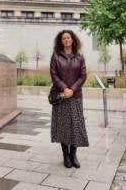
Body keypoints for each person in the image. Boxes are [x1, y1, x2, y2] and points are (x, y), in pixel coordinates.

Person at [50, 30, 89, 168]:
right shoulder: (55, 57)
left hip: (75, 96)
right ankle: (65, 155)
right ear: (61, 41)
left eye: (68, 37)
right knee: (63, 126)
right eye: (63, 38)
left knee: (75, 126)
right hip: (61, 96)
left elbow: (83, 76)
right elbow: (54, 75)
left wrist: (72, 89)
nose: (66, 40)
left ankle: (73, 154)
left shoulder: (80, 57)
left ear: (73, 40)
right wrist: (64, 88)